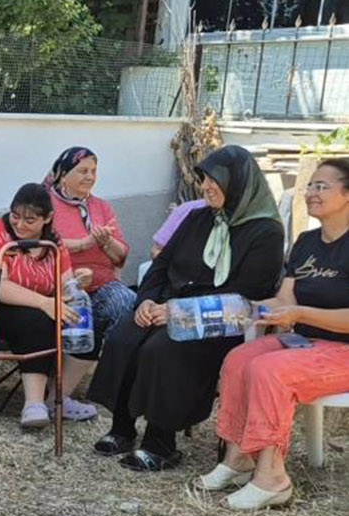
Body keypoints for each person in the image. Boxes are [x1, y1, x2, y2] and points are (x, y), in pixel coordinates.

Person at [88, 145, 285, 471]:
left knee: (163, 348)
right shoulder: (197, 218)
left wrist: (181, 312)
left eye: (213, 180)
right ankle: (122, 428)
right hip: (166, 306)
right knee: (125, 335)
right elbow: (160, 266)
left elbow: (248, 297)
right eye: (204, 179)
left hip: (218, 320)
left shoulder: (266, 232)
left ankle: (160, 443)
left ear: (238, 182)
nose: (205, 187)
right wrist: (147, 301)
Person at [201, 158, 349, 509]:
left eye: (322, 186)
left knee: (269, 370)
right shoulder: (306, 242)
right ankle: (239, 458)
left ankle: (272, 479)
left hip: (342, 349)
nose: (311, 193)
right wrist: (249, 308)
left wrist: (299, 314)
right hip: (306, 341)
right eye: (310, 186)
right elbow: (286, 299)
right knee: (238, 359)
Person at [0, 183, 97, 428]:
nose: (19, 225)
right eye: (15, 216)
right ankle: (33, 403)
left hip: (44, 304)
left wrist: (78, 282)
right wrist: (44, 302)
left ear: (47, 218)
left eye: (30, 220)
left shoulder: (53, 241)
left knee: (87, 320)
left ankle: (58, 398)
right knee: (36, 320)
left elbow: (65, 282)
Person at [45, 146, 137, 387]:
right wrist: (84, 244)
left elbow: (121, 257)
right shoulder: (46, 205)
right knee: (78, 314)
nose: (90, 177)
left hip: (102, 283)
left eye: (94, 171)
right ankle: (58, 384)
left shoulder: (101, 207)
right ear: (63, 174)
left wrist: (106, 242)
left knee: (128, 304)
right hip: (63, 285)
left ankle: (112, 382)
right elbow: (43, 244)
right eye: (83, 171)